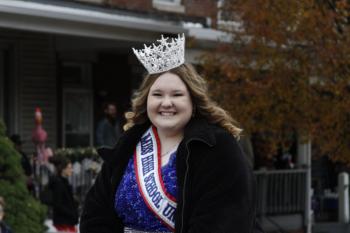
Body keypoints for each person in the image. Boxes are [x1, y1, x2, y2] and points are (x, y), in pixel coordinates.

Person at [80, 34, 261, 233]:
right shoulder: (128, 145)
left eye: (177, 94)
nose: (166, 103)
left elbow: (226, 220)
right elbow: (95, 213)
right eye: (157, 94)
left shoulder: (217, 147)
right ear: (146, 101)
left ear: (193, 102)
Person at [49, 156, 79, 233]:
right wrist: (71, 213)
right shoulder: (59, 184)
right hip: (63, 222)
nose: (71, 170)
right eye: (69, 168)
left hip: (67, 221)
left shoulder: (64, 182)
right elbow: (58, 204)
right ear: (63, 169)